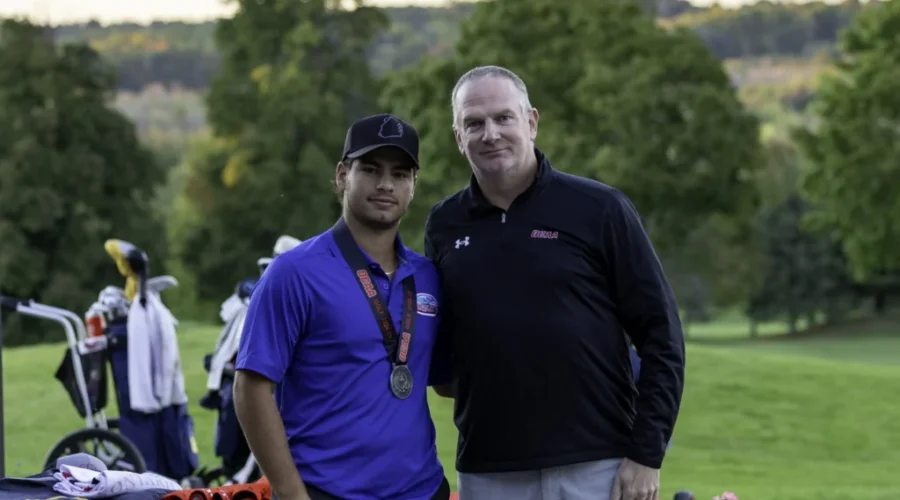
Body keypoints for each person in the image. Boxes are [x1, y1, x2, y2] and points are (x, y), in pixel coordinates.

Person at [424, 66, 686, 500]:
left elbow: (663, 336)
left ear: (531, 122)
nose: (490, 133)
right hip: (489, 473)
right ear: (458, 137)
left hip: (599, 466)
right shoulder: (444, 224)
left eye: (504, 117)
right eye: (474, 123)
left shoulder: (599, 209)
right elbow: (447, 353)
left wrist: (646, 455)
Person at [232, 113, 451, 500]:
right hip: (328, 492)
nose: (386, 184)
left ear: (413, 186)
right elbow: (251, 388)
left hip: (423, 489)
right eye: (370, 169)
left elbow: (449, 382)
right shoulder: (294, 272)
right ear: (341, 175)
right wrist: (290, 493)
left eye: (400, 174)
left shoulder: (428, 276)